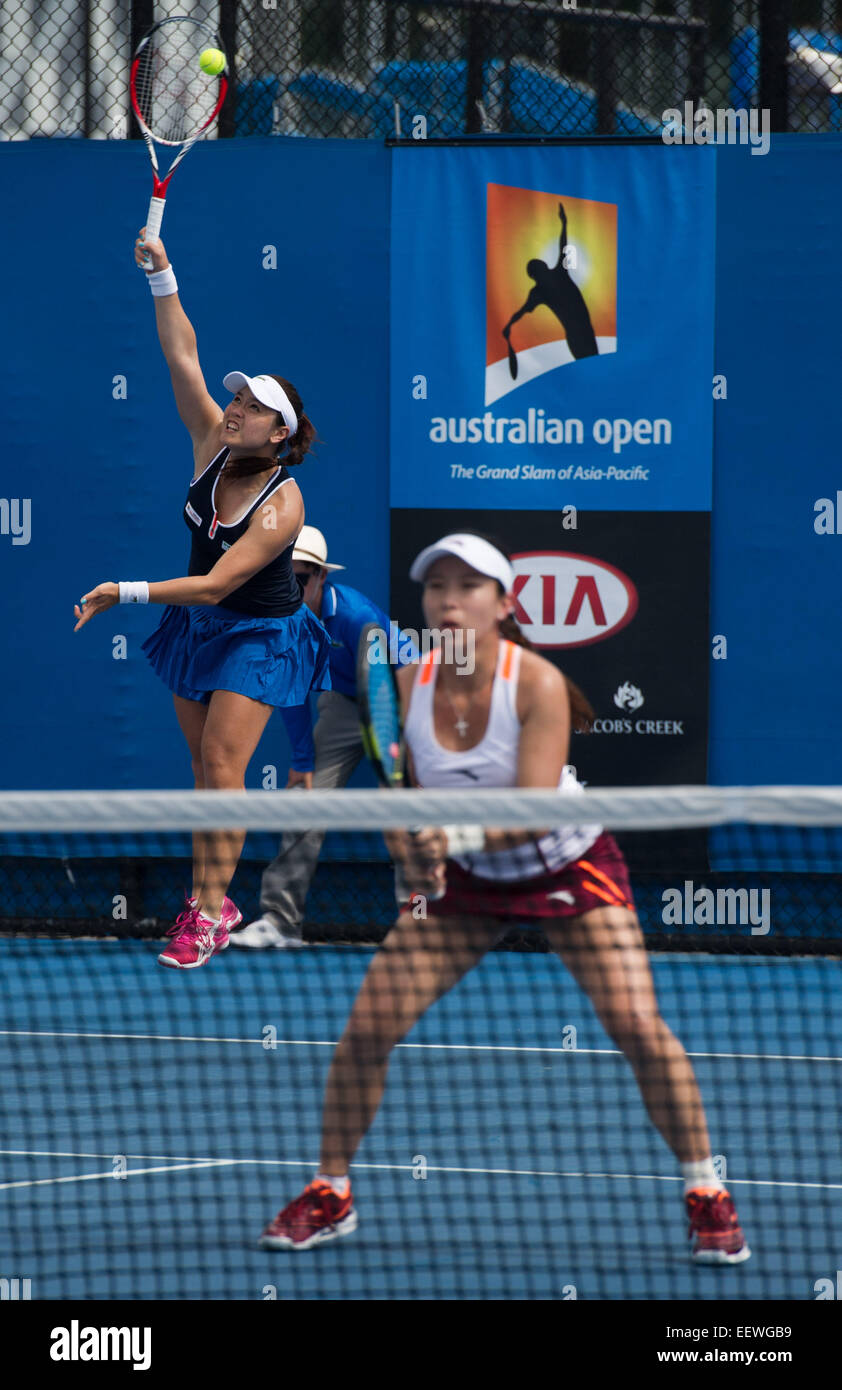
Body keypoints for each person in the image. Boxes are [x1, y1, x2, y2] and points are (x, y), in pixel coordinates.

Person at [258, 532, 750, 1266]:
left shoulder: (537, 684)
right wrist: (412, 851)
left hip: (568, 867)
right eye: (436, 589)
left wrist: (443, 841)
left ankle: (706, 1191)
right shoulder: (410, 683)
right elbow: (410, 800)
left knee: (637, 1026)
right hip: (465, 887)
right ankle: (332, 1191)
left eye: (469, 587)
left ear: (504, 604)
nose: (449, 601)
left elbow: (530, 812)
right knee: (365, 1032)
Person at [73, 230, 331, 970]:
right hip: (198, 630)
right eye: (238, 397)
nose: (235, 406)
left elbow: (221, 583)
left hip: (260, 635)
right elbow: (182, 353)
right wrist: (164, 274)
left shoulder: (285, 503)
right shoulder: (209, 442)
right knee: (204, 773)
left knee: (223, 763)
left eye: (252, 406)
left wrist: (123, 591)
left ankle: (203, 911)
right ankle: (216, 897)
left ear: (280, 435)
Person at [232, 525, 415, 949]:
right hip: (341, 708)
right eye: (282, 578)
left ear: (321, 578)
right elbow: (291, 692)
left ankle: (418, 922)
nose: (291, 588)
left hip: (397, 704)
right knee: (302, 802)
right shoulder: (281, 619)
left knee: (408, 811)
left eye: (300, 578)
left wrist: (414, 731)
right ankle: (280, 922)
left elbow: (409, 668)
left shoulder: (356, 617)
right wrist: (302, 760)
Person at [503, 201, 598, 367]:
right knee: (592, 369)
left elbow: (563, 245)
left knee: (593, 369)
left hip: (584, 333)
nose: (542, 263)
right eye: (539, 264)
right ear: (537, 272)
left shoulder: (550, 280)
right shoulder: (542, 289)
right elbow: (521, 311)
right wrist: (510, 324)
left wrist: (564, 223)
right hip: (578, 336)